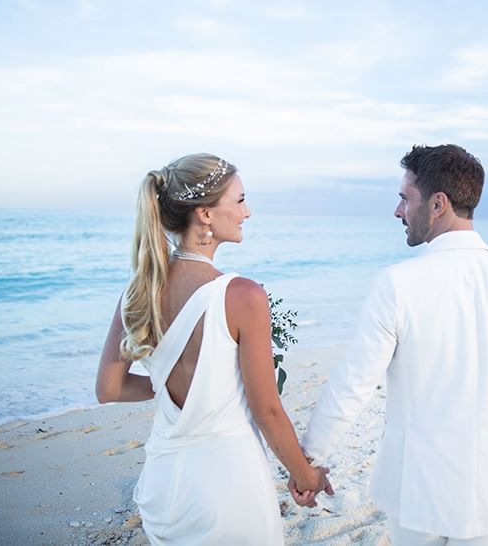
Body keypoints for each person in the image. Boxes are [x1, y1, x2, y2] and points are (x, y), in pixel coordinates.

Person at [298, 144, 488, 545]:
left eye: (405, 198)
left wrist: (309, 461)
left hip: (417, 490)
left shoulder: (397, 283)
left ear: (438, 204)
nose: (398, 211)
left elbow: (353, 384)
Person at [95, 153, 332, 545]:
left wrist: (167, 382)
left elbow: (109, 389)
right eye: (239, 201)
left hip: (163, 485)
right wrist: (307, 477)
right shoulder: (241, 295)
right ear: (205, 214)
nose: (247, 212)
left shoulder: (138, 293)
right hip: (228, 488)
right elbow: (267, 410)